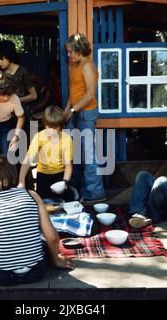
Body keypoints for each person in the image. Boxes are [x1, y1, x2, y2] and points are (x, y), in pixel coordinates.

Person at [0, 155, 74, 286]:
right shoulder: (32, 195)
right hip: (36, 272)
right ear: (13, 174)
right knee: (42, 237)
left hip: (1, 276)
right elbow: (52, 237)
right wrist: (57, 260)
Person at [64, 33, 106, 204]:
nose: (68, 55)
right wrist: (67, 111)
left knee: (89, 155)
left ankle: (95, 194)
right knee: (75, 153)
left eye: (70, 51)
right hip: (75, 113)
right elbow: (73, 93)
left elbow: (90, 94)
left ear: (79, 50)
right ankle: (77, 191)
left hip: (86, 114)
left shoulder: (88, 66)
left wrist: (73, 109)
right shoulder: (75, 65)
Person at [18, 106, 73, 199]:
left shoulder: (67, 139)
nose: (51, 131)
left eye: (55, 128)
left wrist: (65, 182)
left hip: (60, 176)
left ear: (61, 126)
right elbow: (27, 162)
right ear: (44, 124)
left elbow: (68, 165)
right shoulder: (38, 137)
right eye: (49, 127)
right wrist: (21, 181)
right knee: (43, 205)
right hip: (42, 176)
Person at [0, 41, 37, 120]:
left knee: (32, 131)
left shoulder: (23, 71)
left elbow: (34, 96)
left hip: (25, 115)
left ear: (9, 56)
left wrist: (15, 100)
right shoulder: (1, 73)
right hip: (9, 117)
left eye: (1, 59)